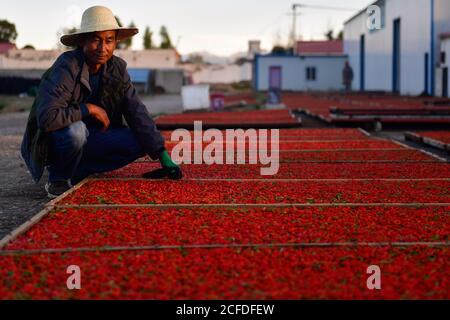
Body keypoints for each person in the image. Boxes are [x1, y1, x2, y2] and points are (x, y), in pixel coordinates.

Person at [21, 6, 182, 199]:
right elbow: (47, 118)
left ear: (115, 43)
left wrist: (162, 154)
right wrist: (88, 109)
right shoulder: (67, 66)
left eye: (109, 40)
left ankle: (79, 170)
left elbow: (136, 111)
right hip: (60, 138)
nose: (102, 48)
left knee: (142, 140)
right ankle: (58, 179)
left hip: (94, 137)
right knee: (76, 131)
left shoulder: (117, 69)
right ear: (83, 41)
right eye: (96, 40)